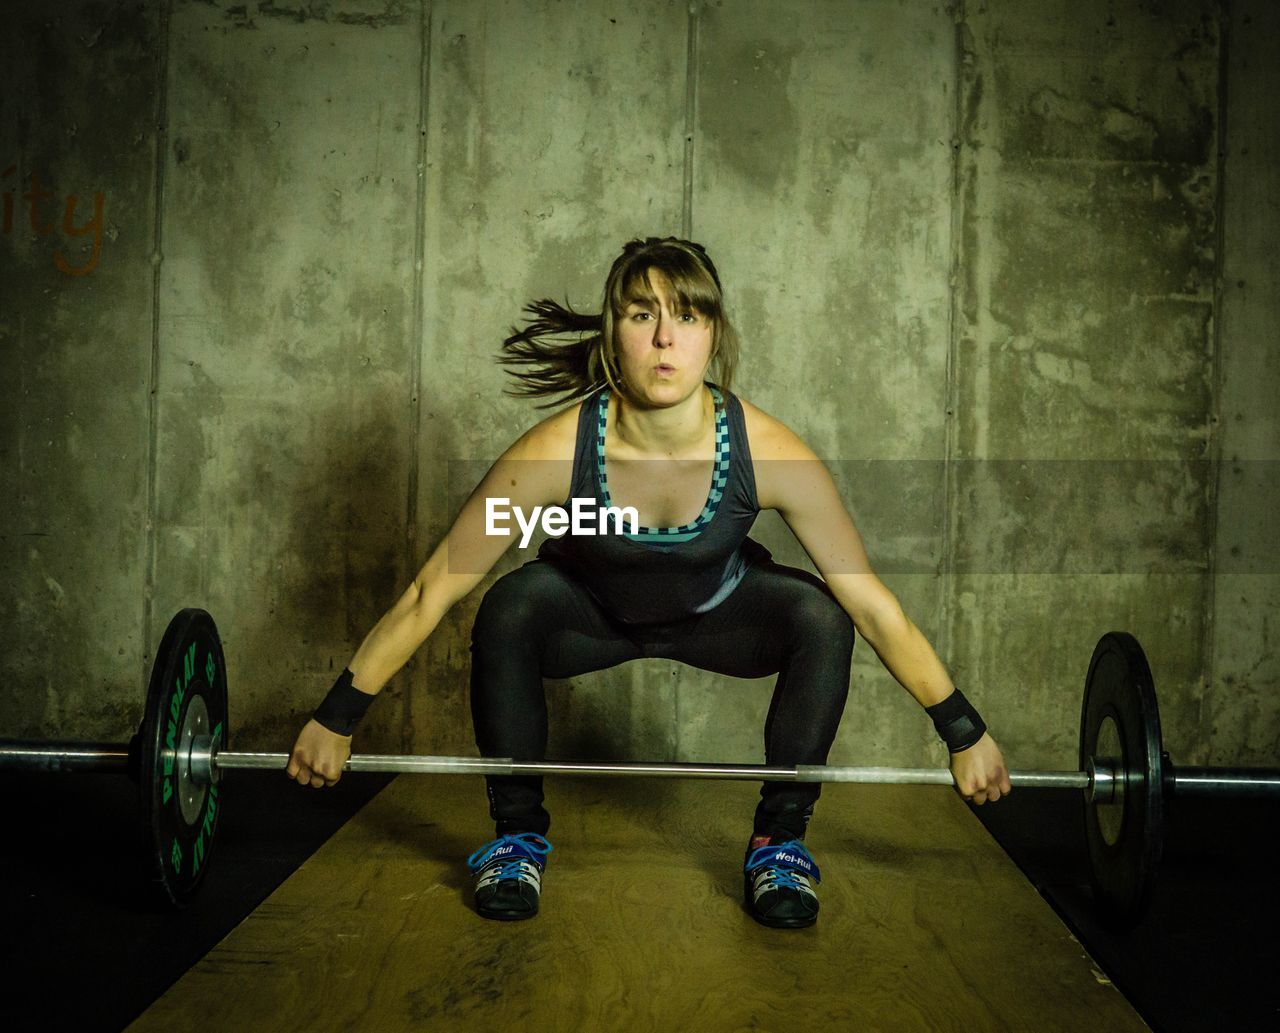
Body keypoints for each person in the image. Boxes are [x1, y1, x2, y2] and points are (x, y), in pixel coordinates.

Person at [287, 236, 1011, 929]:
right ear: (614, 334)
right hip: (588, 617)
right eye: (643, 314)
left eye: (686, 316)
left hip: (721, 615)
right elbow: (432, 590)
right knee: (510, 604)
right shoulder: (551, 456)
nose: (666, 338)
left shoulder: (770, 453)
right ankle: (516, 844)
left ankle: (779, 847)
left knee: (822, 615)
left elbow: (872, 605)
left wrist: (962, 729)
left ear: (713, 335)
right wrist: (338, 715)